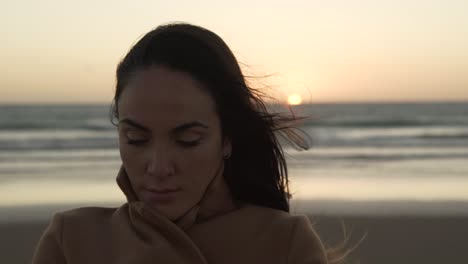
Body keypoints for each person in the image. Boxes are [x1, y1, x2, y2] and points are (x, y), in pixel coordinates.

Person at [32, 22, 331, 264]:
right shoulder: (71, 240)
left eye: (188, 140)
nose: (159, 167)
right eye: (135, 138)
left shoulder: (285, 243)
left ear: (227, 138)